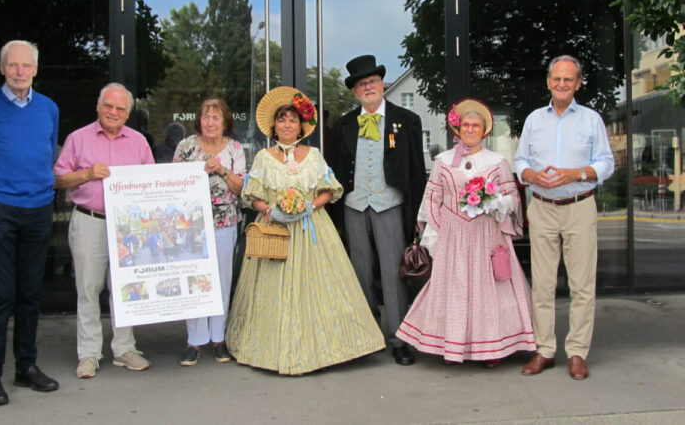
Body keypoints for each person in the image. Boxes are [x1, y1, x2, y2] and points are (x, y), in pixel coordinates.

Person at [226, 86, 385, 375]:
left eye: (292, 120)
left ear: (301, 125)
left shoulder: (313, 155)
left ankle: (326, 348)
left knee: (322, 288)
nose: (287, 125)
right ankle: (270, 349)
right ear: (274, 125)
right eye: (282, 119)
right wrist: (270, 210)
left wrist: (310, 206)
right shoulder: (263, 157)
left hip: (312, 228)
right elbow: (252, 194)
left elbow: (329, 190)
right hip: (274, 230)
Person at [396, 98, 536, 367]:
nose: (470, 129)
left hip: (487, 234)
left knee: (489, 292)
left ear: (484, 130)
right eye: (466, 125)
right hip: (453, 235)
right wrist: (434, 234)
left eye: (476, 125)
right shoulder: (443, 160)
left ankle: (492, 350)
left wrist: (495, 202)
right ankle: (452, 346)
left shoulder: (497, 161)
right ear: (457, 129)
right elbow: (432, 198)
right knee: (454, 292)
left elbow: (513, 199)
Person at [0, 40, 60, 406]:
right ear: (2, 68)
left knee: (31, 294)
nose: (20, 72)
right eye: (13, 65)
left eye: (26, 66)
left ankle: (26, 367)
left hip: (37, 209)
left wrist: (41, 197)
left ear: (36, 69)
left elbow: (48, 153)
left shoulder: (49, 108)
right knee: (1, 294)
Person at [513, 55, 614, 380]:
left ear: (578, 84)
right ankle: (544, 350)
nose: (561, 84)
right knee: (541, 285)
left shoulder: (591, 120)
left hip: (579, 206)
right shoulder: (533, 120)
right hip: (541, 207)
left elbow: (606, 163)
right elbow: (520, 160)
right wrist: (530, 175)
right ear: (548, 81)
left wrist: (578, 173)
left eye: (568, 79)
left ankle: (577, 353)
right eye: (557, 78)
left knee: (581, 285)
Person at [329, 55, 427, 365]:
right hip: (354, 205)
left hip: (391, 204)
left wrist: (417, 216)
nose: (368, 87)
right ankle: (366, 336)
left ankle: (400, 339)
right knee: (360, 272)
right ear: (355, 91)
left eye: (372, 82)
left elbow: (416, 171)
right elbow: (335, 170)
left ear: (382, 84)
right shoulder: (344, 124)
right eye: (362, 84)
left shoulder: (407, 120)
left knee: (392, 271)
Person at [53, 83, 155, 379]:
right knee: (88, 287)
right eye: (108, 106)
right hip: (89, 219)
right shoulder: (78, 138)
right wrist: (86, 174)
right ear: (98, 107)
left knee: (126, 288)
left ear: (127, 114)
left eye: (120, 108)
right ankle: (89, 353)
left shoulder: (138, 142)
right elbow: (58, 179)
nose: (113, 112)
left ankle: (125, 348)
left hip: (127, 225)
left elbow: (151, 182)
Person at [173, 98, 246, 365]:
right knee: (194, 279)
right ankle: (195, 340)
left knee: (221, 279)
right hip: (190, 225)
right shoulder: (186, 146)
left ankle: (218, 338)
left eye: (216, 117)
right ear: (199, 120)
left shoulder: (234, 148)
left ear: (225, 121)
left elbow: (242, 189)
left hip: (225, 222)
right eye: (206, 117)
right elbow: (173, 184)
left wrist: (222, 170)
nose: (211, 122)